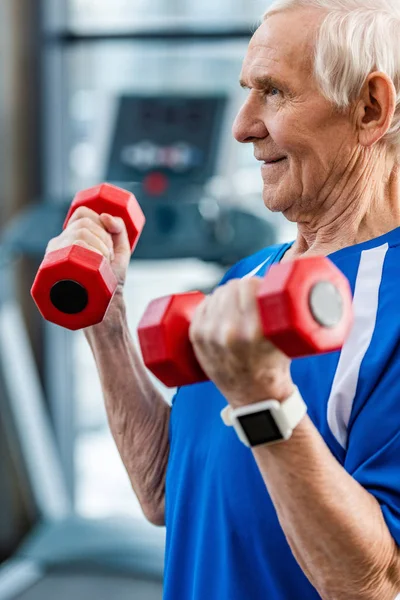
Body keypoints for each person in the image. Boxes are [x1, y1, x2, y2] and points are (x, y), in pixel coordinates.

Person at [45, 0, 400, 598]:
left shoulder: (388, 307)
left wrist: (264, 399)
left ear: (370, 108)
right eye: (246, 91)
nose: (241, 126)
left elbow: (372, 581)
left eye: (275, 93)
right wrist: (106, 324)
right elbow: (165, 492)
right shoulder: (245, 278)